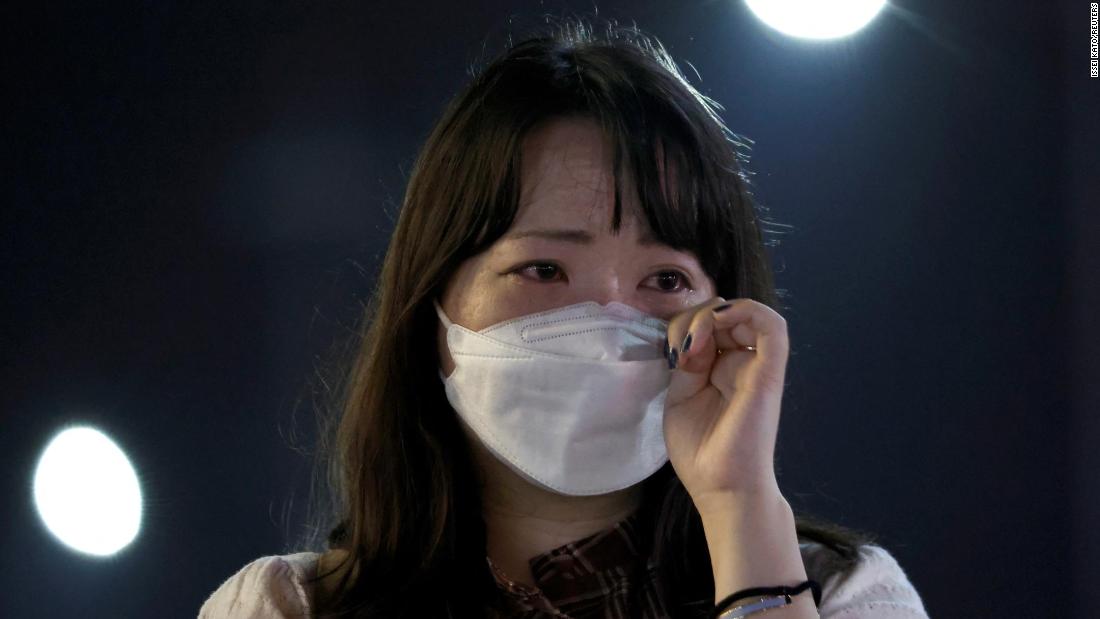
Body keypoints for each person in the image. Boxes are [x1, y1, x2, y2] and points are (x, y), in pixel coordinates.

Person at [199, 19, 929, 619]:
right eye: (544, 269)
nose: (609, 319)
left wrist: (740, 505)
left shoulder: (844, 595)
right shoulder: (286, 606)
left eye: (665, 278)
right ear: (434, 306)